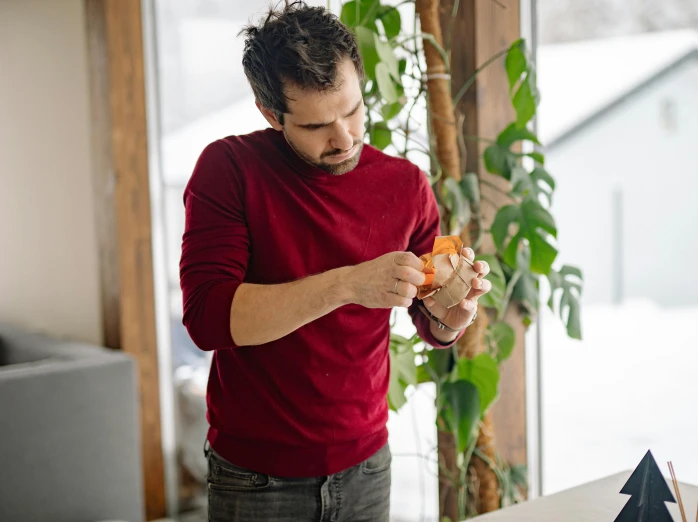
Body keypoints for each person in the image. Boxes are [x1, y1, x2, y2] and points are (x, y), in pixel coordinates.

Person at [179, 2, 491, 520]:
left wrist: (450, 317)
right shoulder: (228, 169)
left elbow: (427, 315)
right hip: (255, 477)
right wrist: (347, 284)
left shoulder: (405, 185)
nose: (344, 139)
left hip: (367, 466)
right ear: (269, 112)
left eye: (352, 111)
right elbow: (209, 317)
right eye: (318, 125)